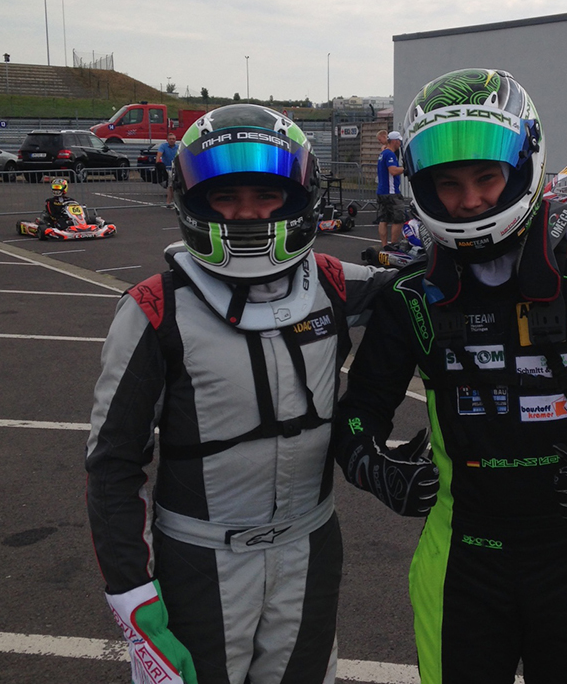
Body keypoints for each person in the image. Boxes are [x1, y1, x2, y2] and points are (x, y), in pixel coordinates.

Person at [334, 69, 567, 684]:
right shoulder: (412, 295)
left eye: (486, 177)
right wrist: (372, 467)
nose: (470, 201)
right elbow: (357, 414)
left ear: (523, 167)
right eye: (449, 184)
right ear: (424, 188)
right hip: (459, 558)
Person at [86, 104, 394, 684]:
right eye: (226, 197)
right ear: (193, 200)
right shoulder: (154, 308)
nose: (248, 213)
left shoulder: (331, 282)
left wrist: (550, 241)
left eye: (267, 195)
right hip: (198, 562)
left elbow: (434, 289)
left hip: (310, 548)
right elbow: (112, 464)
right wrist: (131, 592)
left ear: (300, 196)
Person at [376, 130, 405, 248]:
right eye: (399, 141)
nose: (400, 143)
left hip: (382, 191)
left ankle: (384, 245)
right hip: (391, 192)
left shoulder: (383, 153)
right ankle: (393, 244)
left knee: (384, 219)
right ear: (394, 141)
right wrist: (406, 168)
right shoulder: (390, 154)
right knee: (399, 218)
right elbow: (393, 171)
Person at [157, 132, 179, 206]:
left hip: (177, 168)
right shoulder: (163, 146)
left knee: (177, 186)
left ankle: (176, 202)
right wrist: (158, 164)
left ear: (175, 140)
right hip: (168, 169)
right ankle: (168, 202)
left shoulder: (178, 147)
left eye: (173, 139)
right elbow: (159, 155)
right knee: (170, 186)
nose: (172, 140)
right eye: (170, 139)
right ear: (167, 140)